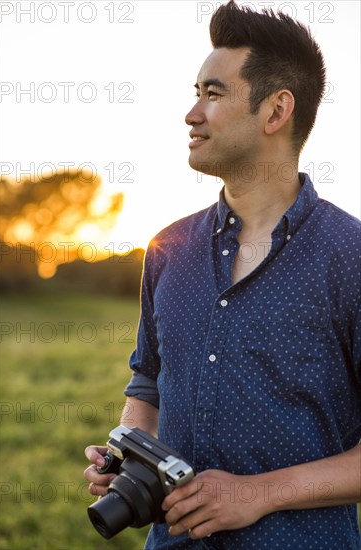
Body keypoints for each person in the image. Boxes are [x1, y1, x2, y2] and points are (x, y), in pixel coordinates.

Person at [84, 2, 361, 548]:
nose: (192, 114)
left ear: (276, 110)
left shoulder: (350, 257)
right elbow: (148, 387)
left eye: (213, 94)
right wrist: (132, 459)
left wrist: (258, 493)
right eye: (196, 93)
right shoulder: (167, 248)